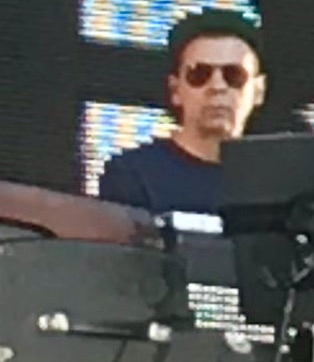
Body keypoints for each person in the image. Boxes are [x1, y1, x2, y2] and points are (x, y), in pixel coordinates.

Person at [94, 11, 267, 214]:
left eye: (234, 75)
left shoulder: (278, 180)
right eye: (199, 75)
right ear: (175, 90)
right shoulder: (132, 174)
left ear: (258, 91)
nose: (217, 86)